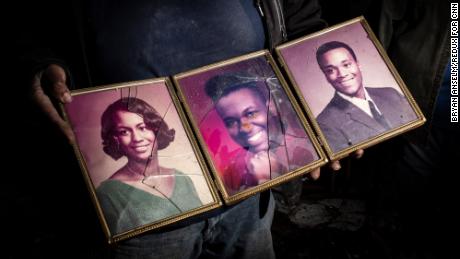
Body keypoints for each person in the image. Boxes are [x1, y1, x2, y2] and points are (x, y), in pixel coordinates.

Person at [11, 0, 332, 258]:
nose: (138, 137)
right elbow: (30, 27)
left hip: (249, 193)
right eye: (126, 131)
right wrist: (39, 66)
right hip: (143, 223)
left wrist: (323, 110)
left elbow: (300, 18)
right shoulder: (118, 188)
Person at [97, 97, 202, 235]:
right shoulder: (108, 194)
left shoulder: (182, 178)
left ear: (156, 129)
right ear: (115, 140)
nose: (137, 138)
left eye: (142, 128)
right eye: (124, 132)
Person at [204, 72, 317, 194]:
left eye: (251, 113)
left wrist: (273, 175)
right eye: (231, 122)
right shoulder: (232, 170)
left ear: (271, 107)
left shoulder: (303, 147)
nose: (245, 128)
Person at [315, 40, 417, 153]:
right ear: (326, 76)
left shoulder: (390, 93)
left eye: (346, 65)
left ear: (358, 64)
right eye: (330, 70)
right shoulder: (325, 123)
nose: (342, 74)